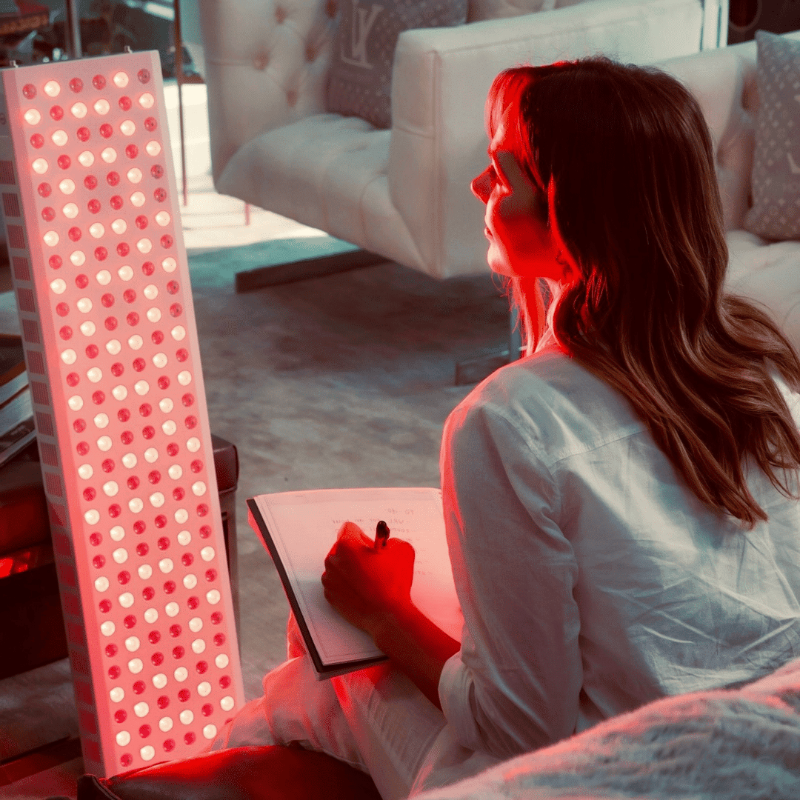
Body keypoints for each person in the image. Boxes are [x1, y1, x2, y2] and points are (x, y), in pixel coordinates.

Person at [208, 56, 800, 798]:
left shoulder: (508, 423)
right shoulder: (762, 364)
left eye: (501, 173)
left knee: (316, 672)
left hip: (601, 771)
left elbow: (525, 730)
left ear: (572, 213)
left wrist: (387, 614)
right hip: (753, 737)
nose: (478, 188)